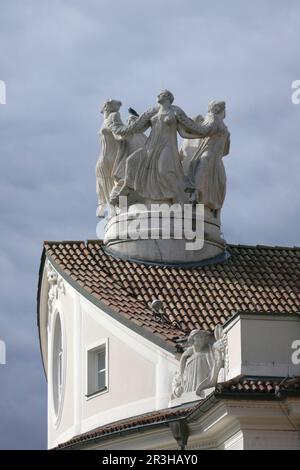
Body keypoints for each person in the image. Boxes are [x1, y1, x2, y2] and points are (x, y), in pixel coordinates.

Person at [110, 90, 215, 205]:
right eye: (159, 94)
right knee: (131, 161)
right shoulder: (152, 112)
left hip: (167, 146)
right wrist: (118, 127)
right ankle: (126, 189)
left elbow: (183, 132)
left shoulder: (175, 112)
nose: (158, 95)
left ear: (168, 97)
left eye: (162, 94)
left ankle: (178, 198)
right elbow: (137, 128)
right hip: (151, 146)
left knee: (163, 171)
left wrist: (202, 134)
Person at [183, 100, 230, 212]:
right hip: (209, 153)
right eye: (223, 108)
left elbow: (226, 150)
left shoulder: (222, 124)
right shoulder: (212, 118)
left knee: (221, 181)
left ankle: (212, 204)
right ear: (219, 109)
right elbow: (203, 131)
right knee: (203, 164)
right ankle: (195, 193)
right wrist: (187, 124)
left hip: (217, 158)